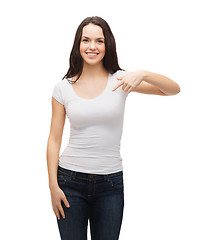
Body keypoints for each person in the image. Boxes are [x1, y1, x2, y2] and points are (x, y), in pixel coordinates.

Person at [46, 16, 180, 240]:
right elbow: (53, 139)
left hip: (110, 183)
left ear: (107, 45)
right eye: (86, 40)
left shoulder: (121, 80)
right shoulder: (62, 88)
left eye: (99, 41)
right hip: (69, 182)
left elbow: (172, 90)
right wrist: (53, 186)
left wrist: (142, 73)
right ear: (78, 45)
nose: (92, 47)